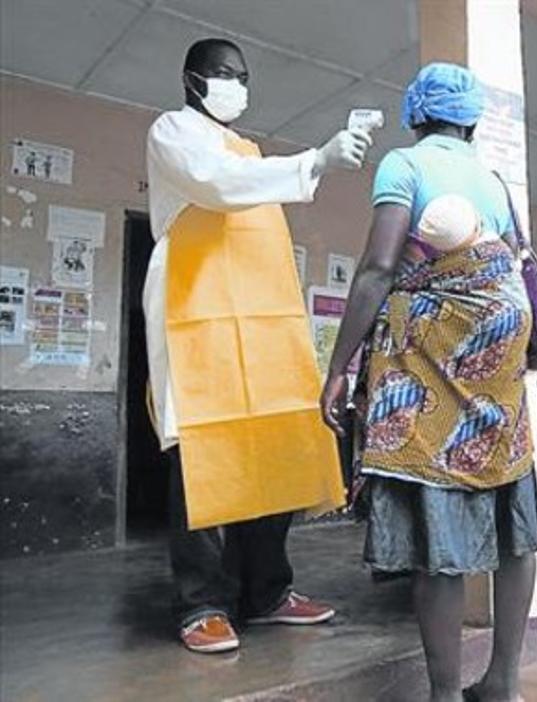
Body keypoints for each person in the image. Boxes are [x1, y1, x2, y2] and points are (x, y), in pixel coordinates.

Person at [318, 62, 537, 702]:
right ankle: (502, 680)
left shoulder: (404, 165)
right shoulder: (493, 180)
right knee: (511, 512)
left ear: (416, 114)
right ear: (470, 119)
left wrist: (339, 368)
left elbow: (380, 266)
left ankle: (446, 694)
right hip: (502, 344)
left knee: (436, 509)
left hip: (437, 350)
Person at [144, 37, 370, 654]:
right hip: (199, 321)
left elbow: (244, 181)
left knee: (270, 449)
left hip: (261, 325)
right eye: (222, 73)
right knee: (202, 456)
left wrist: (307, 166)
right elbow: (215, 183)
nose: (234, 84)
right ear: (192, 79)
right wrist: (314, 160)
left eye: (241, 75)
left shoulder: (249, 150)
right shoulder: (173, 132)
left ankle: (267, 592)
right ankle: (202, 604)